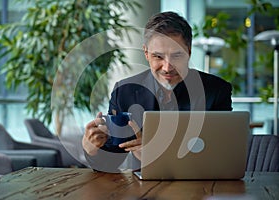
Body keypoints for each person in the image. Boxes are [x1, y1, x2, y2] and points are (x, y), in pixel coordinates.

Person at [82, 11, 232, 172]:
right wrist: (92, 150)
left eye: (177, 56)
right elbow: (109, 164)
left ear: (188, 52)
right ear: (146, 53)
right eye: (158, 57)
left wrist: (157, 156)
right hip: (142, 192)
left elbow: (223, 157)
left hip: (200, 188)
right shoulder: (124, 92)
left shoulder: (217, 91)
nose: (167, 67)